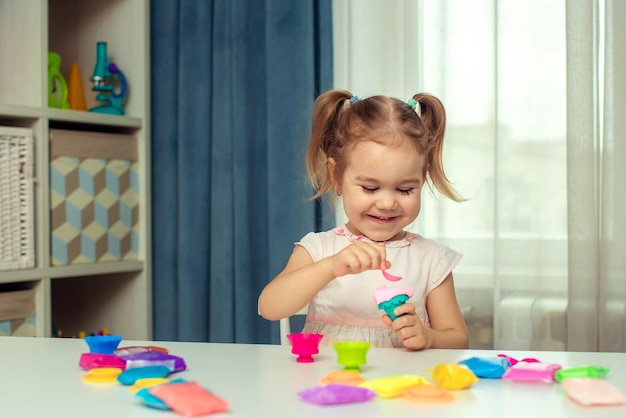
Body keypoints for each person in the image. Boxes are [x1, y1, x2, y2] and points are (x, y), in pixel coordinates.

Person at [258, 90, 469, 350]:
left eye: (405, 190)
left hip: (401, 387)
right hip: (327, 385)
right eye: (370, 188)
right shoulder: (319, 249)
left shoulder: (431, 260)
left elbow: (458, 338)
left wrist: (429, 338)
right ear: (337, 177)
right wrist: (330, 267)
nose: (387, 203)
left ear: (421, 181)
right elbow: (269, 307)